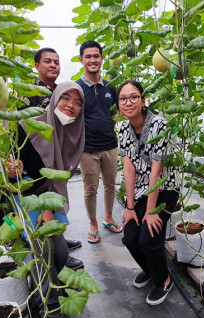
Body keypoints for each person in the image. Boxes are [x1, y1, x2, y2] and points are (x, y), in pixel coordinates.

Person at [8, 81, 85, 318]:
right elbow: (18, 168)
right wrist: (10, 167)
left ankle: (60, 280)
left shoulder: (71, 127)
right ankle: (50, 305)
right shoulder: (30, 125)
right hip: (27, 193)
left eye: (78, 102)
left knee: (59, 249)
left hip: (50, 191)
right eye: (66, 99)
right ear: (54, 100)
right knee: (44, 251)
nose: (71, 106)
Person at [117, 80, 180, 305]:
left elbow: (158, 170)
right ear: (118, 105)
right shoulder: (122, 128)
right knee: (130, 237)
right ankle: (152, 270)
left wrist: (151, 211)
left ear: (144, 100)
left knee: (148, 237)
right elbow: (128, 167)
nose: (128, 102)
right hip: (143, 189)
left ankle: (164, 280)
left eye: (134, 97)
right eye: (123, 98)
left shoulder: (159, 125)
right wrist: (130, 208)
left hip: (165, 188)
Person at [21, 47, 83, 264]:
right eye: (48, 61)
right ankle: (58, 256)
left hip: (55, 157)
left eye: (56, 62)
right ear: (37, 65)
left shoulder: (60, 92)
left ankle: (60, 241)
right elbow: (24, 131)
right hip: (35, 158)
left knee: (55, 200)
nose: (53, 65)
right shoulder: (29, 93)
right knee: (43, 210)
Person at [76, 41, 122, 243]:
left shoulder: (110, 88)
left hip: (110, 146)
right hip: (87, 149)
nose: (93, 60)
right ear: (81, 60)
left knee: (111, 184)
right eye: (88, 56)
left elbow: (113, 114)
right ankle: (93, 223)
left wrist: (106, 131)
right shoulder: (76, 88)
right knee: (90, 188)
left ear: (102, 59)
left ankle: (108, 216)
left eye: (96, 56)